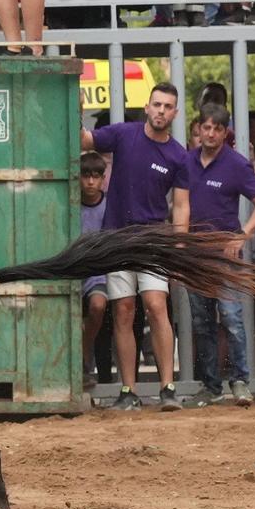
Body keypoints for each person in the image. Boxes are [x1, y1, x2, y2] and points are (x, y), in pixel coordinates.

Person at [81, 85, 190, 410]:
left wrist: (179, 246)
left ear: (175, 113)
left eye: (168, 106)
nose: (161, 110)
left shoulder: (178, 155)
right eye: (157, 104)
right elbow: (86, 140)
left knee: (156, 306)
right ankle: (128, 391)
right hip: (116, 238)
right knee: (123, 311)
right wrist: (74, 105)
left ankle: (167, 388)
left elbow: (181, 206)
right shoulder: (124, 134)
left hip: (153, 240)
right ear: (147, 107)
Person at [180, 106, 255, 406]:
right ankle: (210, 385)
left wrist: (243, 234)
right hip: (195, 254)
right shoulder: (186, 161)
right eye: (205, 127)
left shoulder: (236, 164)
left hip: (226, 254)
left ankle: (240, 380)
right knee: (201, 321)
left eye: (217, 128)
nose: (210, 133)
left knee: (231, 318)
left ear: (224, 132)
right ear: (198, 128)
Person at [77, 153, 112, 394]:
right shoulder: (69, 202)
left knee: (98, 306)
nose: (90, 182)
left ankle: (84, 352)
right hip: (71, 270)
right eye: (86, 176)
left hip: (97, 273)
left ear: (103, 179)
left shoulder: (109, 205)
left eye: (95, 177)